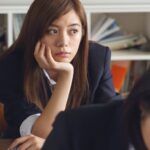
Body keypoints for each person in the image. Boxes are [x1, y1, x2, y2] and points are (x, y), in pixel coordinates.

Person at [0, 0, 120, 148]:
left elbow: (113, 123)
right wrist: (66, 75)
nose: (63, 42)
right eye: (52, 31)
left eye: (73, 31)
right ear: (35, 33)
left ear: (82, 33)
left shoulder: (97, 58)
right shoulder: (11, 64)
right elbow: (43, 134)